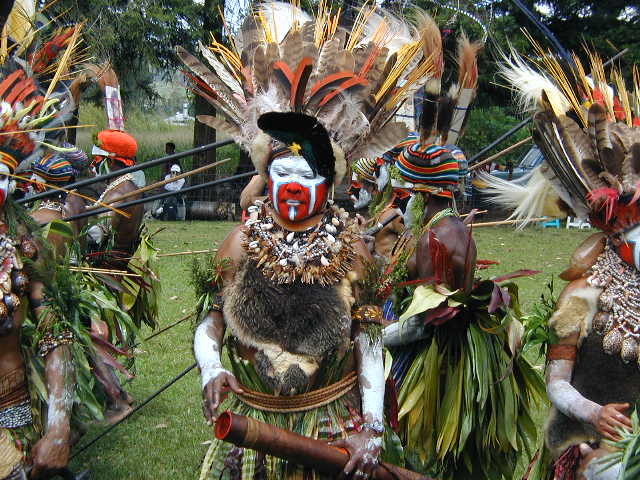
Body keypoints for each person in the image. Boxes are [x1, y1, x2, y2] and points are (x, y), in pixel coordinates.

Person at [180, 3, 437, 478]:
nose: (293, 185)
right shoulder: (240, 243)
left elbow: (369, 340)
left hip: (332, 425)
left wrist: (374, 426)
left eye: (306, 174)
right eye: (282, 172)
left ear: (330, 180)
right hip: (256, 426)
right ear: (265, 175)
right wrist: (211, 367)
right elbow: (212, 321)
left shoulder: (353, 251)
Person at [484, 47, 640, 479]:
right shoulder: (582, 294)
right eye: (632, 228)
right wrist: (595, 412)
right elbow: (556, 382)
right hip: (580, 440)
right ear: (613, 231)